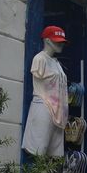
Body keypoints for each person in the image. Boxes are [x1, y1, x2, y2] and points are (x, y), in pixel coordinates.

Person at [22, 26, 68, 157]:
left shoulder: (56, 62)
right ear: (47, 40)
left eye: (62, 41)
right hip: (44, 108)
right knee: (37, 152)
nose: (60, 44)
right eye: (57, 41)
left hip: (59, 113)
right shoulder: (40, 59)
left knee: (52, 158)